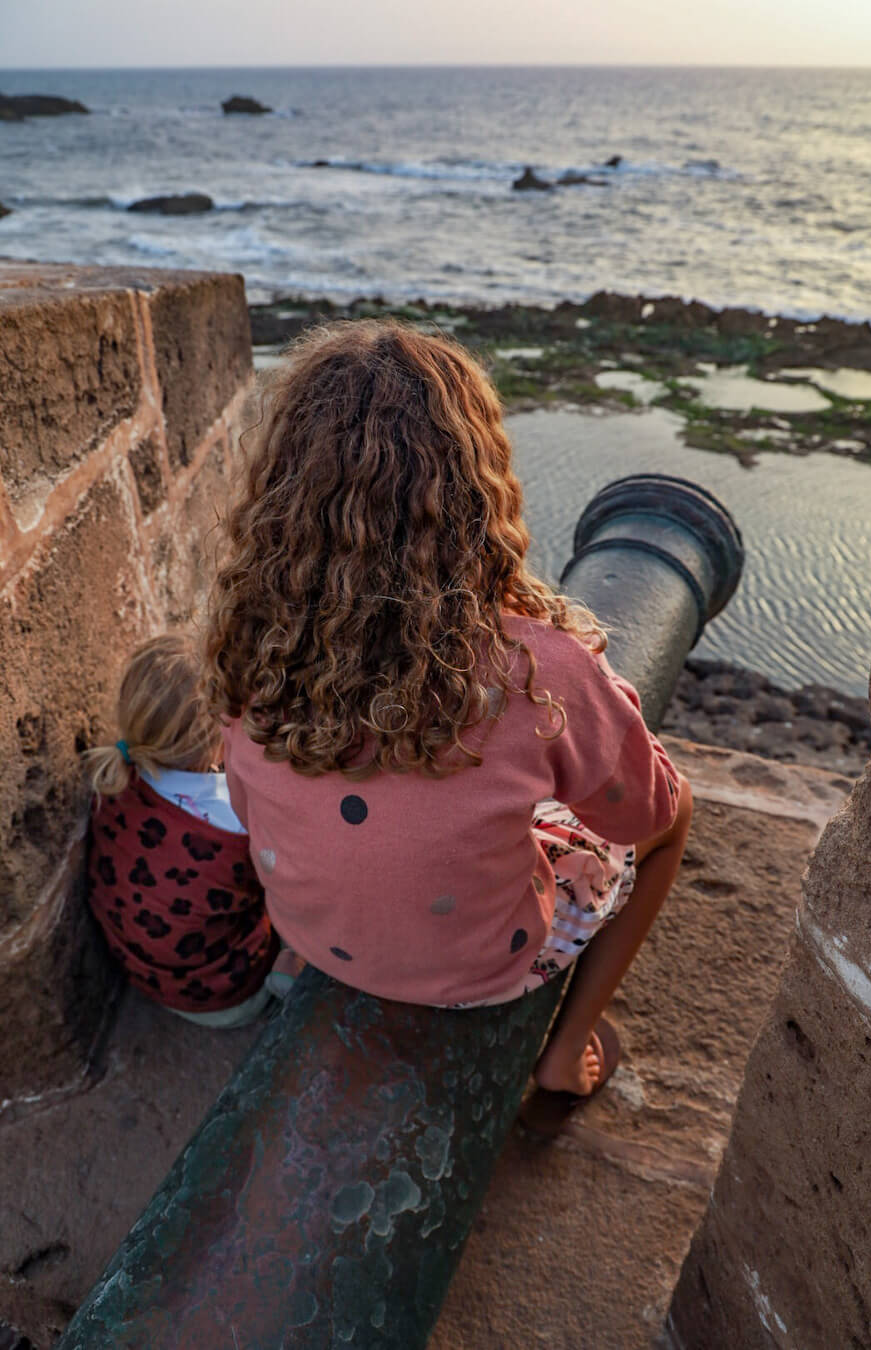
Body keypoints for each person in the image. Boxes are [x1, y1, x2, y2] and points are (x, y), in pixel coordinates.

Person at [206, 322, 692, 1095]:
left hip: (314, 937)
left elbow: (248, 801)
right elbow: (646, 809)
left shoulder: (246, 639)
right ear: (474, 489)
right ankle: (565, 1054)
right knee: (674, 823)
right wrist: (601, 688)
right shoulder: (537, 670)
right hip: (481, 963)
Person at [84, 634, 278, 1028]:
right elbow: (285, 887)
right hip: (227, 999)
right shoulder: (235, 821)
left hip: (144, 976)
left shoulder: (114, 780)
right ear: (216, 742)